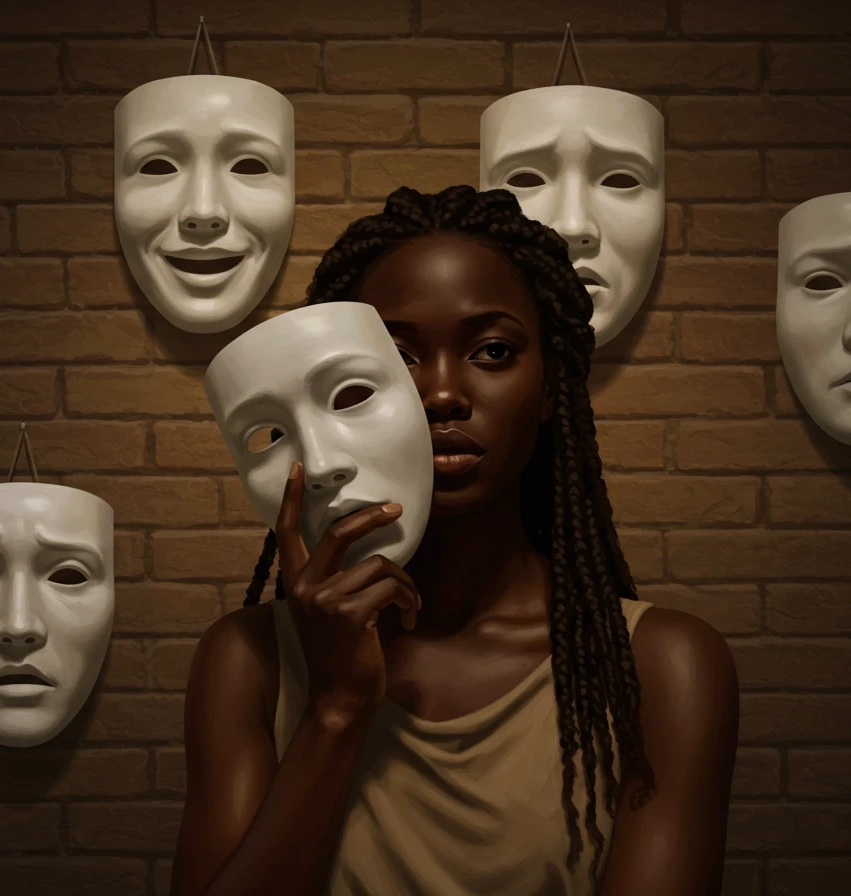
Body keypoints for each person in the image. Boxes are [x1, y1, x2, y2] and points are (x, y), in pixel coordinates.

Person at [171, 185, 739, 896]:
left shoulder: (659, 666)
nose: (441, 393)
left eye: (493, 351)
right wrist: (336, 711)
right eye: (400, 358)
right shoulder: (250, 661)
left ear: (551, 384)